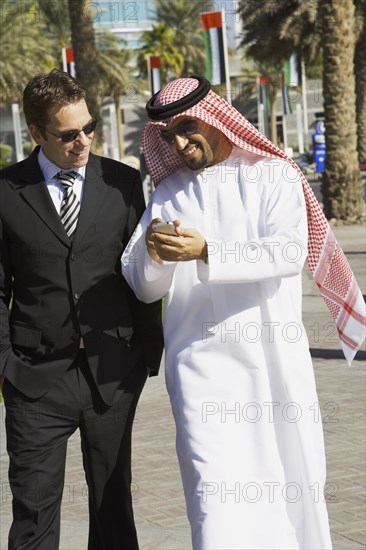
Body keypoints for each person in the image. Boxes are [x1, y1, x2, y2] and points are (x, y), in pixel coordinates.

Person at [122, 76, 366, 550]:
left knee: (289, 485)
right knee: (213, 498)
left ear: (215, 116)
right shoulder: (169, 191)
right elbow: (143, 286)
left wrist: (208, 250)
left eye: (188, 126)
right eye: (168, 134)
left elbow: (288, 252)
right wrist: (152, 253)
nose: (179, 141)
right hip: (199, 372)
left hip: (272, 366)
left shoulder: (274, 174)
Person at [0, 69, 163, 550]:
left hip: (112, 375)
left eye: (89, 128)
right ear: (36, 133)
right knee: (32, 515)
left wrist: (147, 355)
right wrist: (5, 364)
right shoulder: (5, 191)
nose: (83, 141)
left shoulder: (123, 182)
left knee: (114, 511)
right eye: (69, 134)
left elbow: (139, 273)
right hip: (33, 378)